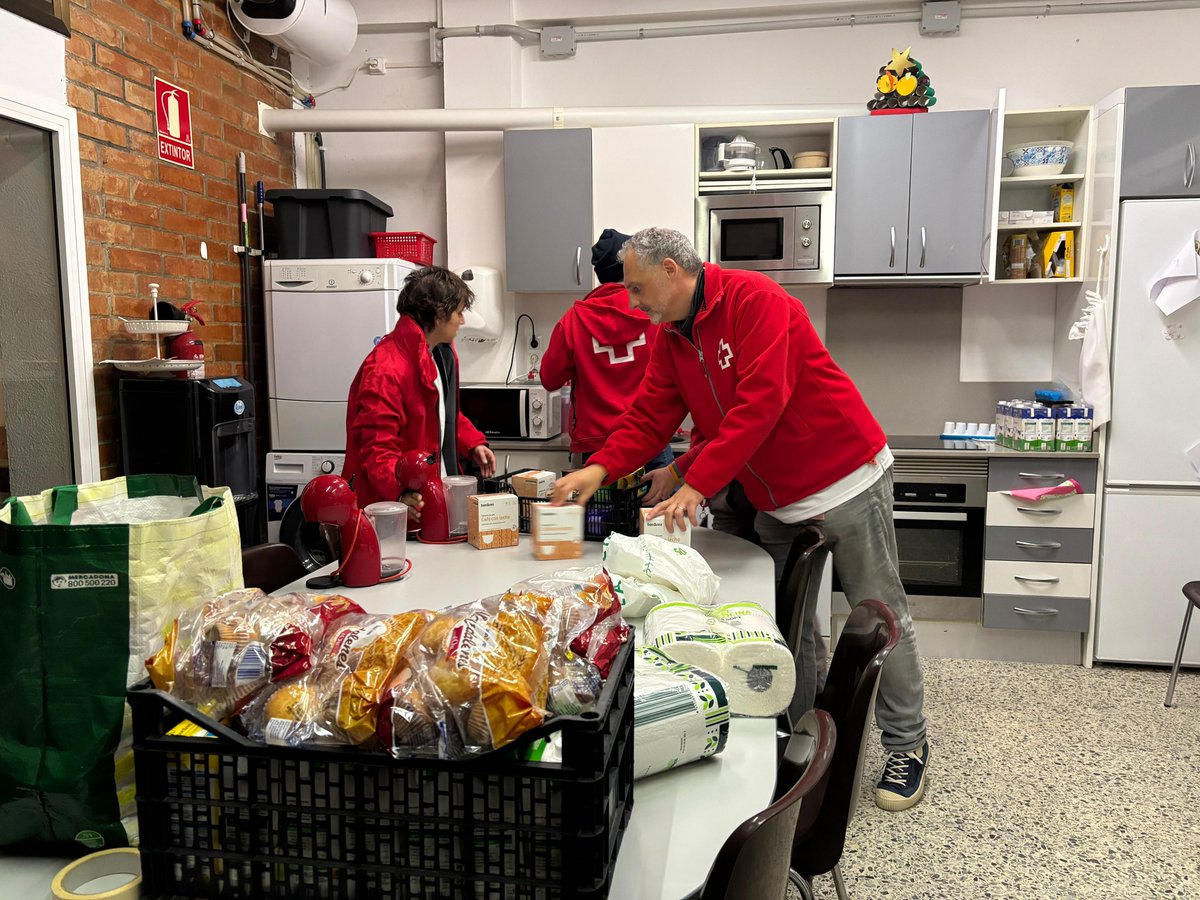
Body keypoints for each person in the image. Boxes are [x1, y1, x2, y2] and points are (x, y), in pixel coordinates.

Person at [552, 227, 930, 811]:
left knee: (878, 611)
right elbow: (651, 416)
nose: (631, 302)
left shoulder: (758, 301)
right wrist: (598, 470)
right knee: (786, 629)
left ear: (675, 271)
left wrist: (695, 481)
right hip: (778, 500)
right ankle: (804, 742)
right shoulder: (672, 338)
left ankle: (907, 746)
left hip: (844, 475)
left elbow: (760, 404)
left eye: (637, 288)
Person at [343, 266, 496, 522]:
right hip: (393, 514)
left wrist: (473, 443)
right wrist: (400, 494)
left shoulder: (438, 354)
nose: (462, 320)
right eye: (458, 312)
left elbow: (444, 414)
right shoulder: (384, 369)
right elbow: (377, 449)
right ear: (438, 314)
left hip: (430, 500)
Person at [540, 228, 674, 475]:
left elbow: (549, 379)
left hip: (596, 447)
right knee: (656, 513)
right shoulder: (655, 312)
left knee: (602, 514)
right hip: (649, 440)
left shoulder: (573, 320)